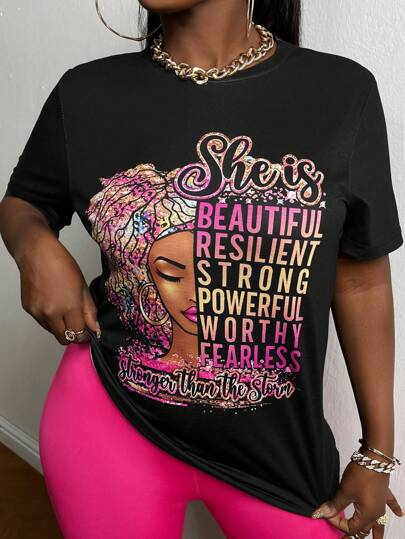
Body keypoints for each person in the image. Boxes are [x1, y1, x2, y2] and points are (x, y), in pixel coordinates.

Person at [1, 1, 404, 537]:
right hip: (110, 417)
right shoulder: (87, 93)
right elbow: (24, 200)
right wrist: (32, 245)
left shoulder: (340, 93)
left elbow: (361, 278)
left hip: (279, 451)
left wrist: (377, 451)